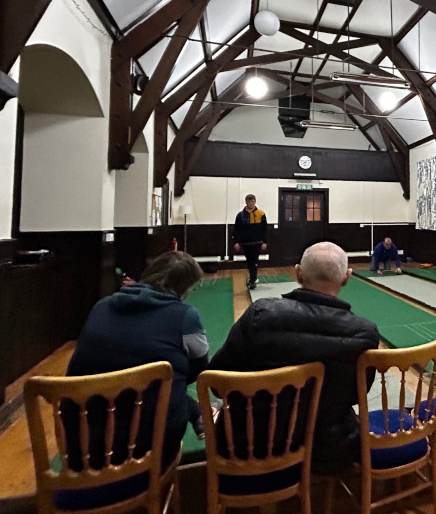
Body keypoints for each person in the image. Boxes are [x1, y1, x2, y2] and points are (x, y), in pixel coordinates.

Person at [209, 242, 380, 475]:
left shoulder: (260, 315)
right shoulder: (364, 332)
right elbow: (356, 394)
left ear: (298, 273)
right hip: (327, 449)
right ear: (346, 278)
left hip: (250, 447)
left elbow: (218, 383)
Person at [65, 251, 208, 468]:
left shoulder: (101, 306)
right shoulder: (185, 316)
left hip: (82, 447)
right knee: (167, 386)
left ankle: (196, 412)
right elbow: (199, 367)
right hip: (150, 449)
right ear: (183, 287)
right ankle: (198, 414)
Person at [233, 194, 267, 290]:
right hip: (245, 243)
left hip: (257, 242)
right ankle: (253, 278)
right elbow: (236, 229)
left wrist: (264, 241)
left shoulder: (261, 214)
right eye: (249, 201)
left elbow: (264, 229)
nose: (251, 203)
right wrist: (236, 242)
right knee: (249, 261)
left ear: (255, 202)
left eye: (252, 201)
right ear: (246, 202)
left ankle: (253, 280)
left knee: (254, 261)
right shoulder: (240, 215)